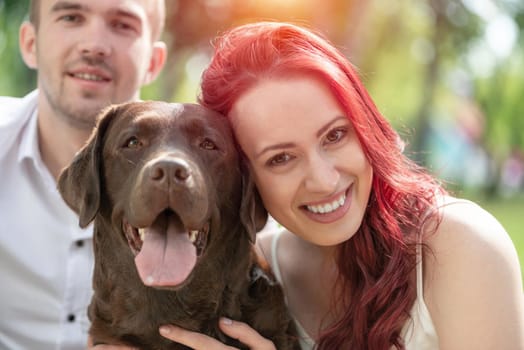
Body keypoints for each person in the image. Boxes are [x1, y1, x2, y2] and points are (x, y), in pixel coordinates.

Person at [158, 21, 524, 349]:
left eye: (335, 135)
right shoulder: (257, 273)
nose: (325, 180)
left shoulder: (459, 245)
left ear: (365, 126)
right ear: (241, 177)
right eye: (281, 159)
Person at [0, 0, 167, 348]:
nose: (94, 44)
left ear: (153, 62)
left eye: (122, 24)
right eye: (71, 17)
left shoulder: (193, 189)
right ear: (30, 44)